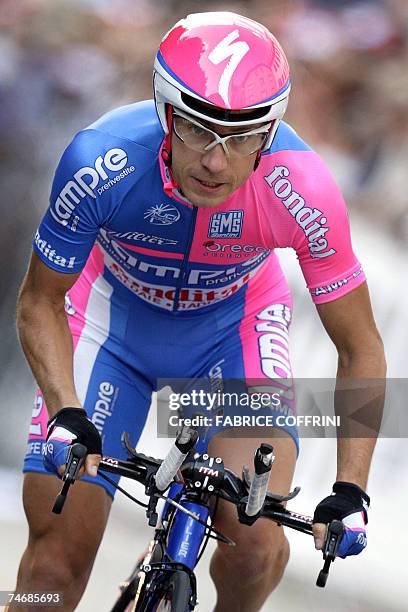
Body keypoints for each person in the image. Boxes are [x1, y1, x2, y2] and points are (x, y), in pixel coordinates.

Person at [12, 11, 385, 612]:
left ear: (270, 133)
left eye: (241, 137)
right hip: (109, 329)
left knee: (256, 546)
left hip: (228, 338)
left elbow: (360, 347)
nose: (216, 161)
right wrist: (65, 410)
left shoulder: (303, 188)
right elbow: (39, 302)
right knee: (51, 572)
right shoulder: (99, 159)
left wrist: (351, 490)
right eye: (196, 130)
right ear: (163, 112)